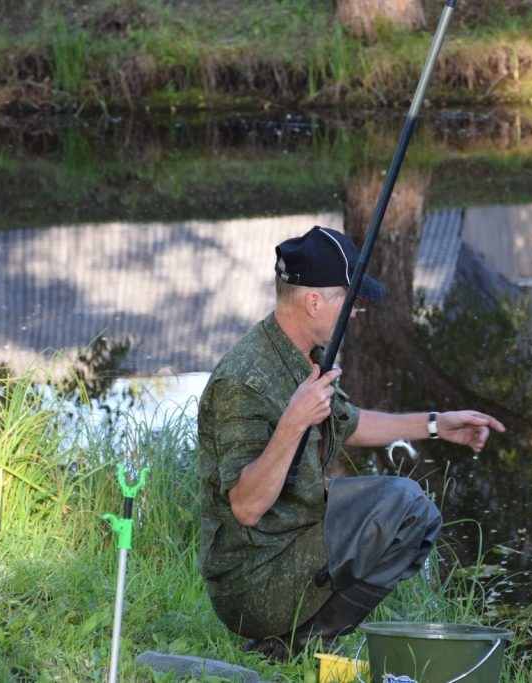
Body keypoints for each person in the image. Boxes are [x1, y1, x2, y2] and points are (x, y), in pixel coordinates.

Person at [196, 225, 505, 660]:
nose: (357, 312)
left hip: (295, 543)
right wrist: (292, 424)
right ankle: (293, 642)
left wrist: (438, 425)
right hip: (253, 581)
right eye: (351, 300)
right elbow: (246, 508)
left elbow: (351, 423)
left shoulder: (304, 355)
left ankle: (293, 645)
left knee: (419, 522)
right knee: (404, 503)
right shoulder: (243, 380)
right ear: (314, 301)